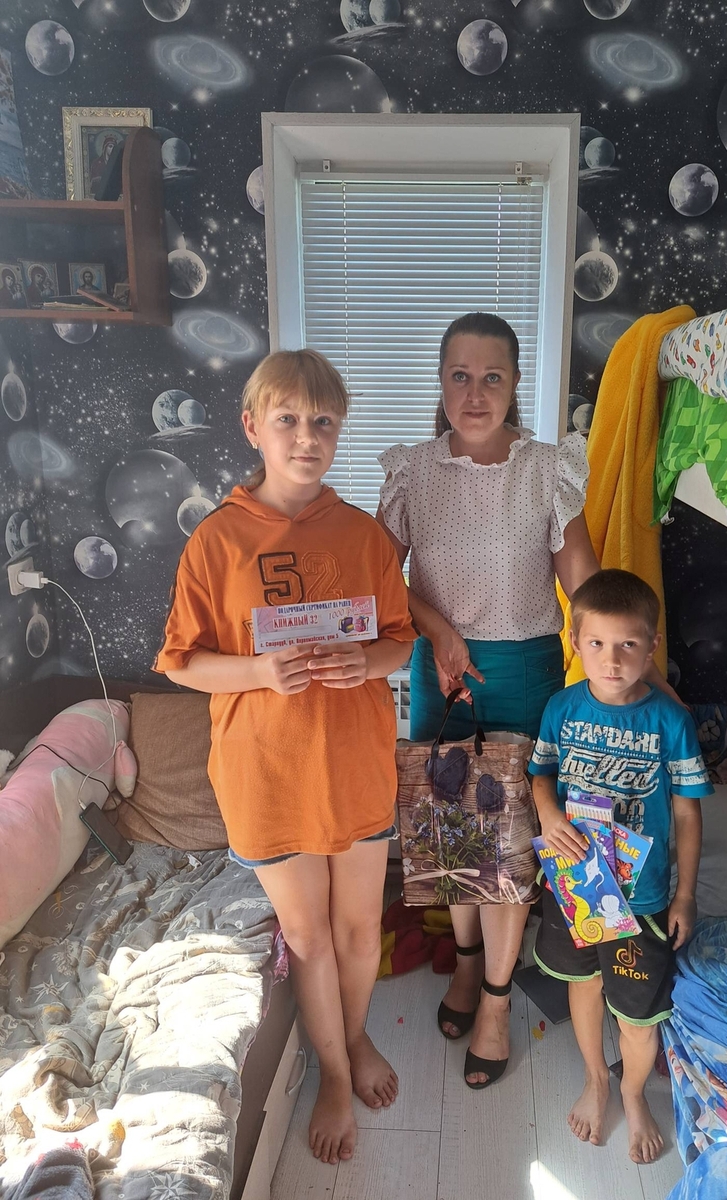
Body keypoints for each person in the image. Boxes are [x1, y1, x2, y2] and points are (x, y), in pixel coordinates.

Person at [155, 349, 416, 1166]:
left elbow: (400, 642)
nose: (308, 437)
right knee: (309, 938)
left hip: (356, 764)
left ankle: (356, 1035)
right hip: (265, 775)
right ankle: (334, 1074)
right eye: (289, 421)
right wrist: (260, 672)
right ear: (253, 428)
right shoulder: (217, 540)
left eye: (324, 422)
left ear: (339, 431)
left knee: (360, 930)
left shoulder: (365, 536)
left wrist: (363, 662)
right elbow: (180, 661)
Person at [377, 311, 605, 1090]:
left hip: (524, 672)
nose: (475, 394)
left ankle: (498, 1003)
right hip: (439, 672)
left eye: (492, 378)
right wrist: (439, 629)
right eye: (460, 377)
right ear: (441, 384)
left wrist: (630, 664)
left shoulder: (547, 469)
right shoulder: (411, 471)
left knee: (508, 849)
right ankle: (468, 963)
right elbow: (381, 584)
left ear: (514, 385)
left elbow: (585, 586)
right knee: (454, 842)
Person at [529, 569, 713, 1164]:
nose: (611, 660)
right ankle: (596, 1080)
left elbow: (687, 814)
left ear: (652, 646)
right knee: (582, 985)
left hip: (643, 899)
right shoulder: (561, 707)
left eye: (628, 644)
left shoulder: (671, 721)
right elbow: (539, 774)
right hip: (575, 884)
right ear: (575, 643)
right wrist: (548, 813)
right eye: (597, 643)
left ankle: (632, 1094)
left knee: (638, 1016)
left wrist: (685, 895)